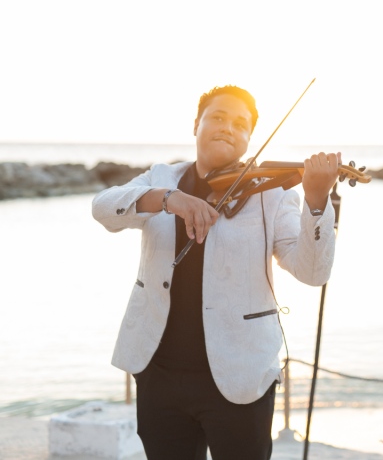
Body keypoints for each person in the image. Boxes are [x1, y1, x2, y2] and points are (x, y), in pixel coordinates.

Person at [92, 85, 340, 460]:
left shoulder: (272, 195)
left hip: (239, 376)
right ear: (197, 124)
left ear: (249, 139)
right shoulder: (162, 176)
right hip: (159, 373)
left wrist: (318, 201)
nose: (228, 127)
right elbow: (103, 207)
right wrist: (167, 199)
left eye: (240, 123)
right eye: (218, 117)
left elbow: (311, 272)